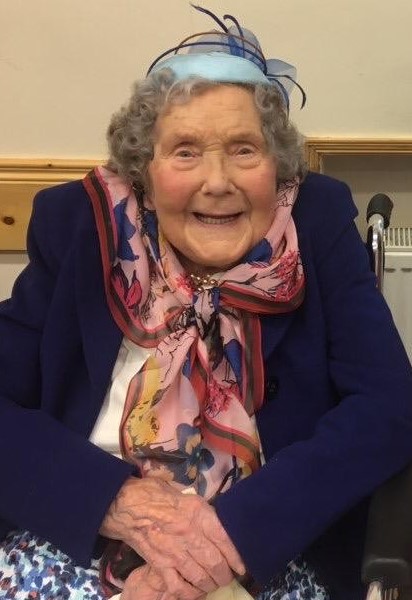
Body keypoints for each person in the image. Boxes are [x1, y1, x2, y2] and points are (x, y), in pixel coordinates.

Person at [1, 6, 412, 600]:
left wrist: (225, 538)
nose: (217, 182)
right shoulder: (82, 228)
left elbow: (389, 406)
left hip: (265, 554)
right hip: (81, 540)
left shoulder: (314, 225)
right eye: (185, 151)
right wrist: (117, 502)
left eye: (244, 150)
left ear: (277, 166)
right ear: (144, 172)